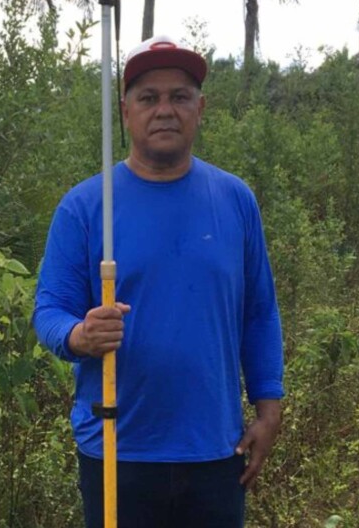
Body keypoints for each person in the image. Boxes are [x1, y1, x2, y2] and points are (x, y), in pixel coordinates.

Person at [32, 35, 285, 528]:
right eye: (148, 97)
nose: (165, 110)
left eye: (180, 97)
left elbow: (259, 312)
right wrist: (79, 336)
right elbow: (49, 311)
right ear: (126, 111)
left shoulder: (235, 200)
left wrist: (268, 408)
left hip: (215, 450)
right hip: (116, 450)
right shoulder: (86, 206)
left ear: (200, 108)